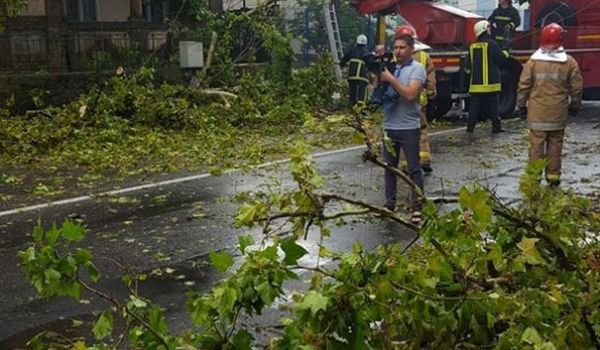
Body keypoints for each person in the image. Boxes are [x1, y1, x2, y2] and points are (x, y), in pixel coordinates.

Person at [516, 23, 583, 187]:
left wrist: (521, 106)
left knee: (536, 146)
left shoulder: (533, 62)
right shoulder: (569, 62)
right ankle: (553, 178)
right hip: (558, 113)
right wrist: (574, 107)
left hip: (537, 113)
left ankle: (534, 178)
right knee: (555, 145)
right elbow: (577, 89)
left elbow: (523, 86)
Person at [378, 34, 426, 224]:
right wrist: (378, 69)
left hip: (408, 127)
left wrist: (390, 79)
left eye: (402, 47)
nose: (398, 51)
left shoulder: (417, 69)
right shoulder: (391, 67)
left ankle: (417, 207)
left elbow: (410, 94)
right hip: (389, 125)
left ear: (411, 49)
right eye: (396, 47)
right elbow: (377, 91)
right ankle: (389, 204)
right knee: (389, 168)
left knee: (414, 168)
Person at [395, 25, 437, 174]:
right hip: (419, 100)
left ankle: (406, 164)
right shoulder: (424, 56)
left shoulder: (396, 56)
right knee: (421, 129)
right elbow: (430, 76)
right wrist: (431, 91)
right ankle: (424, 160)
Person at [466, 20, 509, 134]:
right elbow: (501, 59)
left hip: (476, 86)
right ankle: (496, 128)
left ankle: (470, 129)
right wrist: (506, 52)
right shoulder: (492, 44)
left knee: (474, 109)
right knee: (493, 108)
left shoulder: (472, 46)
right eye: (488, 28)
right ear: (484, 30)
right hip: (491, 85)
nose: (490, 30)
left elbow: (467, 67)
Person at [340, 34, 370, 107]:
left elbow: (344, 59)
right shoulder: (367, 52)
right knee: (362, 90)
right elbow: (371, 64)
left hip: (352, 75)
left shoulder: (352, 50)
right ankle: (360, 106)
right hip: (362, 76)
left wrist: (341, 65)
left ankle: (352, 105)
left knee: (352, 90)